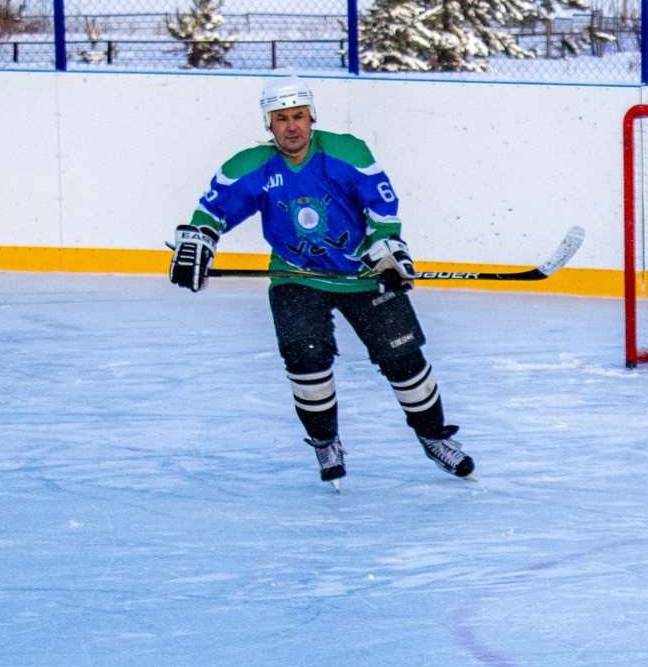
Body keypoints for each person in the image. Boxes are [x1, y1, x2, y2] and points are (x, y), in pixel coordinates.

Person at [169, 76, 473, 486]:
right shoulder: (252, 166)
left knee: (404, 359)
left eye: (298, 116)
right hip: (296, 276)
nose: (291, 126)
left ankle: (435, 438)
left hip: (362, 274)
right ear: (268, 124)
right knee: (306, 360)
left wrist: (386, 248)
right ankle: (325, 441)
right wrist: (200, 239)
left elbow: (382, 206)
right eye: (281, 119)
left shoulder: (348, 153)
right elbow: (213, 209)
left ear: (312, 117)